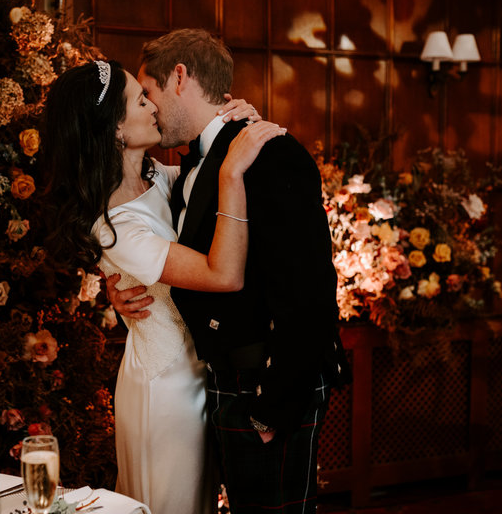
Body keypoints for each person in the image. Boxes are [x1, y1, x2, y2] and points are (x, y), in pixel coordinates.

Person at [107, 28, 351, 514]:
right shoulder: (184, 169)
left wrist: (271, 410)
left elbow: (311, 291)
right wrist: (119, 286)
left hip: (269, 384)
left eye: (149, 92)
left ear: (179, 78)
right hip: (218, 381)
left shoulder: (269, 153)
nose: (150, 108)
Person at [41, 58, 285, 514]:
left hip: (202, 373)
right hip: (165, 389)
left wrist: (229, 125)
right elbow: (222, 274)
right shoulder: (115, 226)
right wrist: (231, 170)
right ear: (115, 130)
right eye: (139, 99)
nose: (153, 105)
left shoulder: (158, 177)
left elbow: (200, 193)